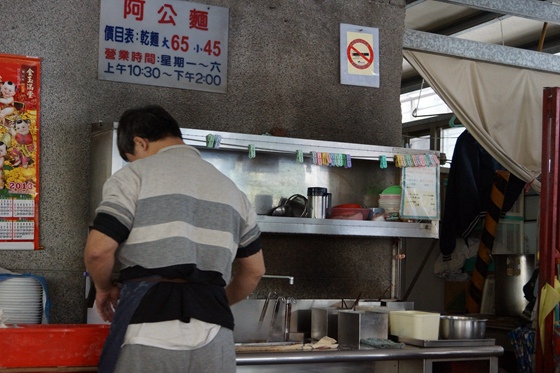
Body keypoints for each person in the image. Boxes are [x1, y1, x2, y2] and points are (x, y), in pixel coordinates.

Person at [84, 105, 265, 373]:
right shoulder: (232, 190)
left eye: (131, 157)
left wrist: (102, 288)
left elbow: (98, 251)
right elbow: (255, 271)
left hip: (149, 319)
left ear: (139, 142)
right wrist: (206, 301)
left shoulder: (135, 175)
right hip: (215, 327)